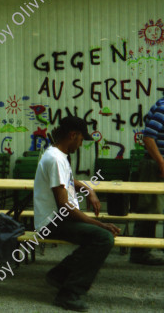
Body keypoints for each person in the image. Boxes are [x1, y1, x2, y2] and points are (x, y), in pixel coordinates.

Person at [34, 116, 120, 312]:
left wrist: (89, 190)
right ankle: (68, 294)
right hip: (52, 223)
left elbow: (69, 181)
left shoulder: (58, 155)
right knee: (103, 238)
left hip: (58, 219)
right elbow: (65, 208)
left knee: (100, 235)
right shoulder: (55, 159)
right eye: (81, 139)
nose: (81, 144)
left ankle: (59, 274)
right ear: (73, 135)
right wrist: (100, 224)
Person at [129, 97, 164, 265]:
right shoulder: (163, 108)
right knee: (150, 210)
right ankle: (140, 252)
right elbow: (148, 137)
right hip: (154, 165)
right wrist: (161, 162)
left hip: (158, 163)